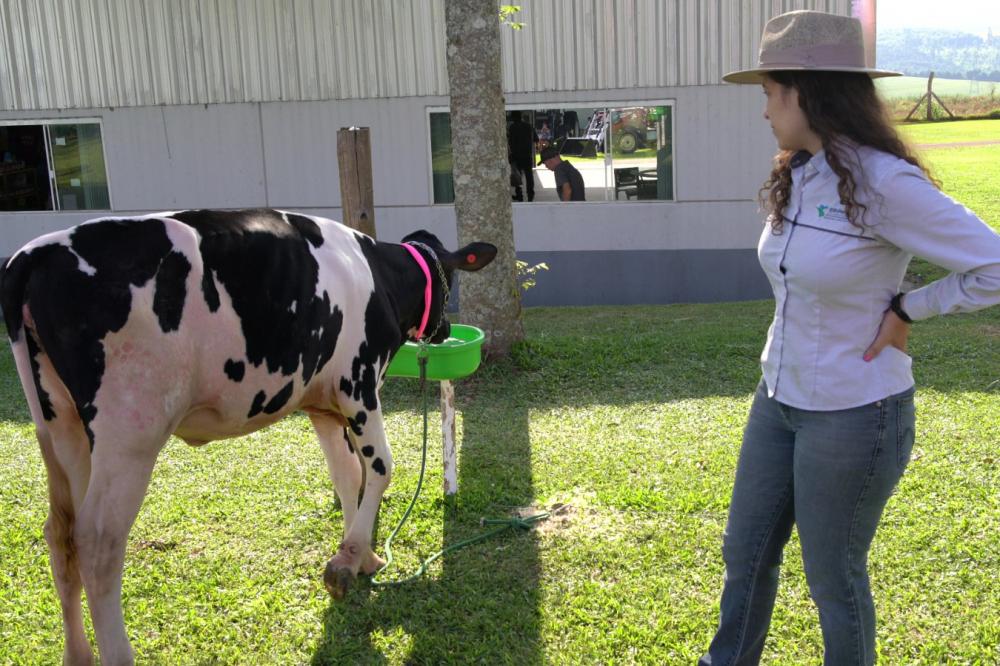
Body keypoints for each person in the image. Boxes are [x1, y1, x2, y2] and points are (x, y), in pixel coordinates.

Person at [700, 10, 1000, 666]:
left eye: (768, 93)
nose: (764, 111)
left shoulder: (885, 182)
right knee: (744, 555)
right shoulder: (802, 172)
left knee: (834, 579)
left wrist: (909, 309)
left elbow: (993, 262)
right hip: (777, 400)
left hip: (855, 414)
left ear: (805, 92)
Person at [507, 112, 538, 201]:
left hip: (516, 156)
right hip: (527, 155)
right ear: (521, 117)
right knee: (529, 177)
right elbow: (536, 139)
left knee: (517, 176)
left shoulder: (512, 127)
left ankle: (519, 195)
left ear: (513, 118)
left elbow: (510, 142)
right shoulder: (529, 126)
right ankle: (530, 196)